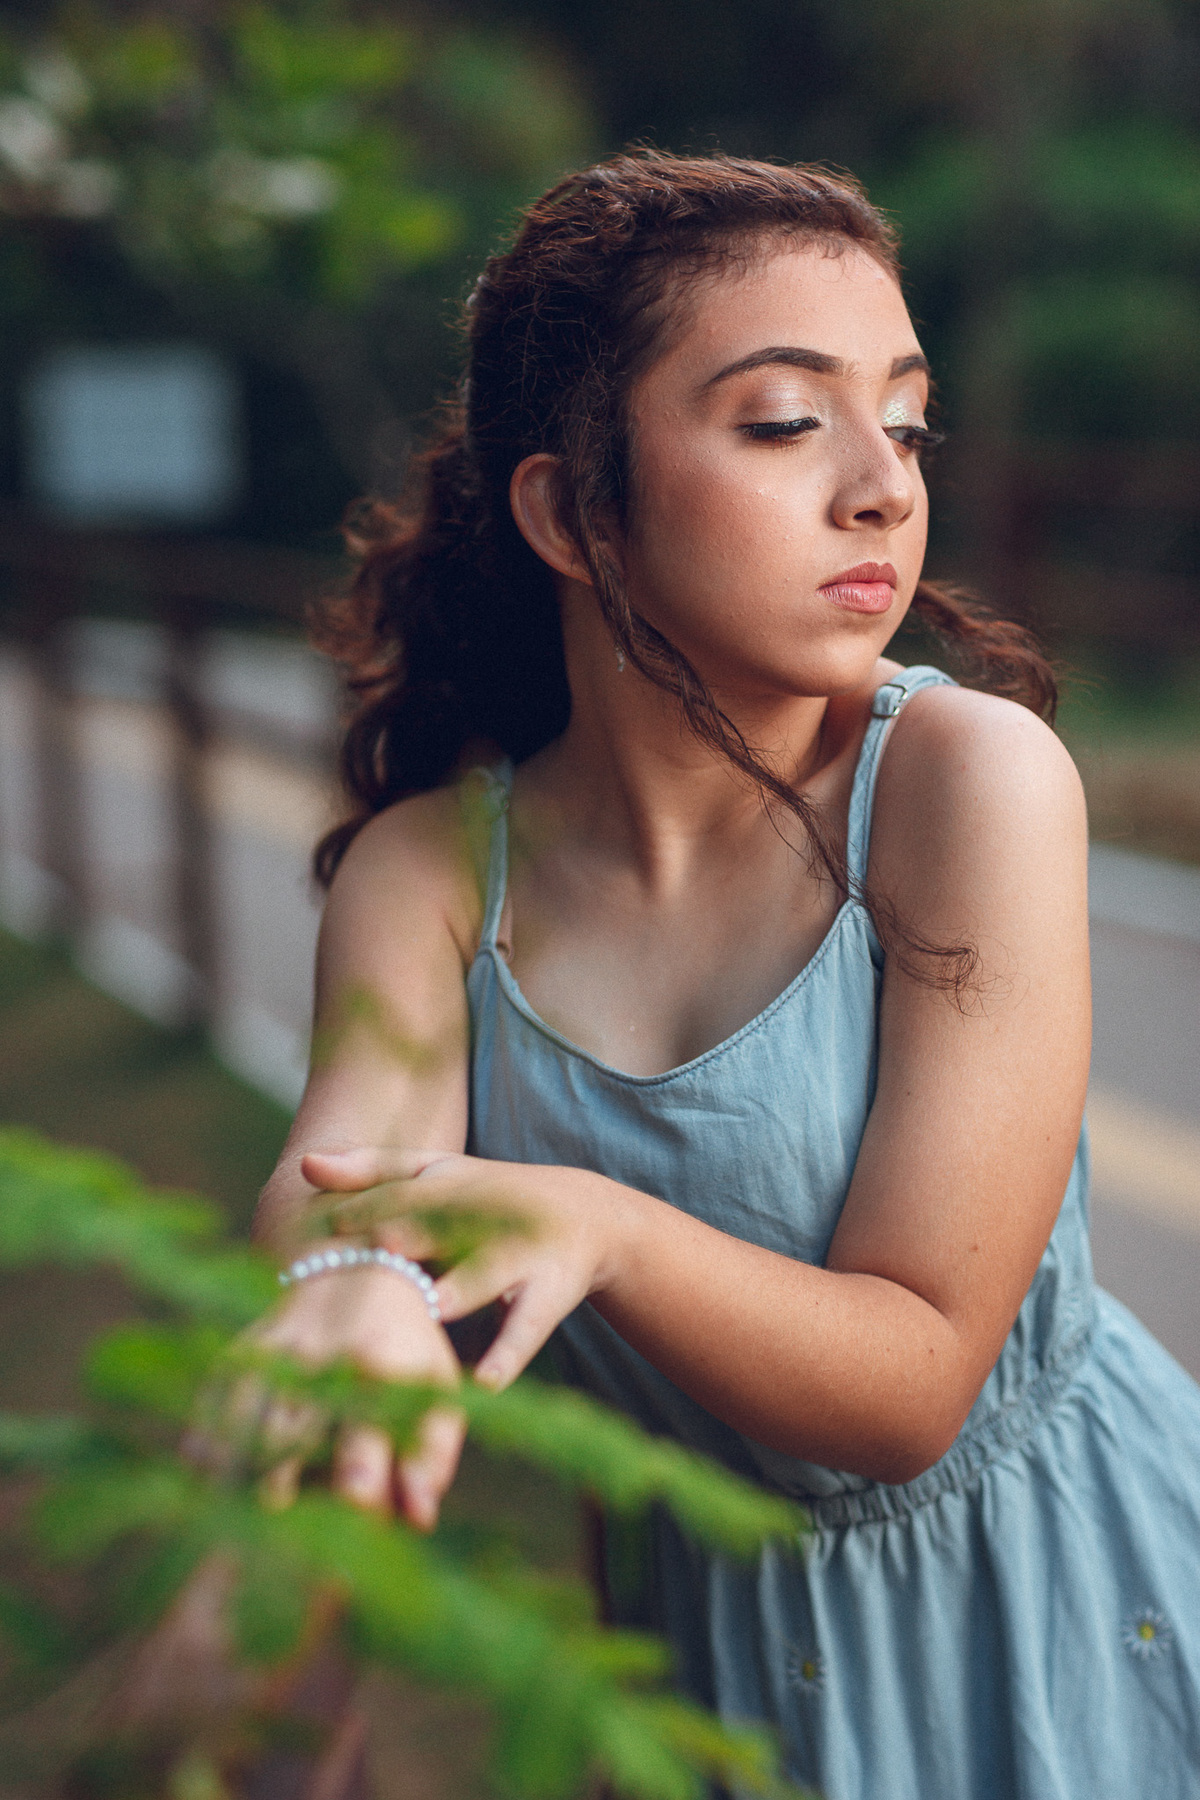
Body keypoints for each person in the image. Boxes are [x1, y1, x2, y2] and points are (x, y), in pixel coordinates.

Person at [253, 152, 1200, 1799]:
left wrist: (594, 1223)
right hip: (710, 1686)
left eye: (903, 424)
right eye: (784, 422)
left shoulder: (964, 783)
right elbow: (345, 1221)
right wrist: (355, 1327)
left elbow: (911, 1383)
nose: (882, 489)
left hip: (1074, 1615)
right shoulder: (431, 881)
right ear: (569, 507)